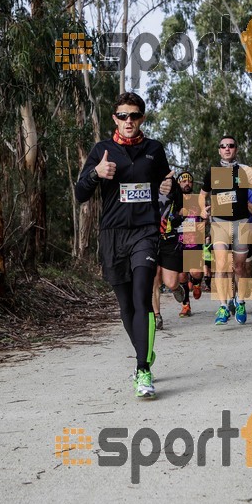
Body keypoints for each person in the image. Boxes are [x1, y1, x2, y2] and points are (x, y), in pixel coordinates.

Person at [75, 92, 174, 399]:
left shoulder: (154, 150)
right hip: (112, 235)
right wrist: (95, 173)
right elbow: (80, 194)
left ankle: (142, 369)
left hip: (145, 232)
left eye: (134, 115)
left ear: (142, 118)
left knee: (142, 297)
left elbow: (170, 189)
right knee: (126, 307)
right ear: (114, 119)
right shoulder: (102, 150)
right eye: (122, 116)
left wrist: (170, 188)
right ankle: (143, 350)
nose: (128, 121)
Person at [199, 135, 252, 326]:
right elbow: (202, 195)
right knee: (221, 264)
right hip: (219, 224)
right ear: (219, 150)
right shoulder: (212, 172)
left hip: (241, 223)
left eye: (231, 146)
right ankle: (223, 306)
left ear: (236, 149)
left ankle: (240, 302)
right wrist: (201, 209)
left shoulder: (245, 171)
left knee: (240, 267)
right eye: (223, 146)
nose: (227, 149)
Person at [152, 175, 186, 332]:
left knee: (170, 282)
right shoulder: (145, 180)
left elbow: (181, 208)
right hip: (149, 237)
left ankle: (177, 288)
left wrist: (178, 217)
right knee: (153, 277)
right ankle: (156, 316)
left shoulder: (173, 185)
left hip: (169, 238)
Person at [227, 189, 252, 315]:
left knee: (243, 269)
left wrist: (242, 201)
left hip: (247, 232)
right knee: (230, 268)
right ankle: (232, 298)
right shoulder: (222, 191)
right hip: (228, 232)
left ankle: (239, 298)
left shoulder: (248, 192)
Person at [176, 172, 205, 317]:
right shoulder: (173, 200)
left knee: (196, 272)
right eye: (183, 181)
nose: (187, 184)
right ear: (178, 183)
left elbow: (206, 216)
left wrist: (205, 224)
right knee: (181, 276)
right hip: (178, 243)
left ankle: (197, 283)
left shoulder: (197, 200)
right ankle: (186, 305)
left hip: (194, 242)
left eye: (189, 182)